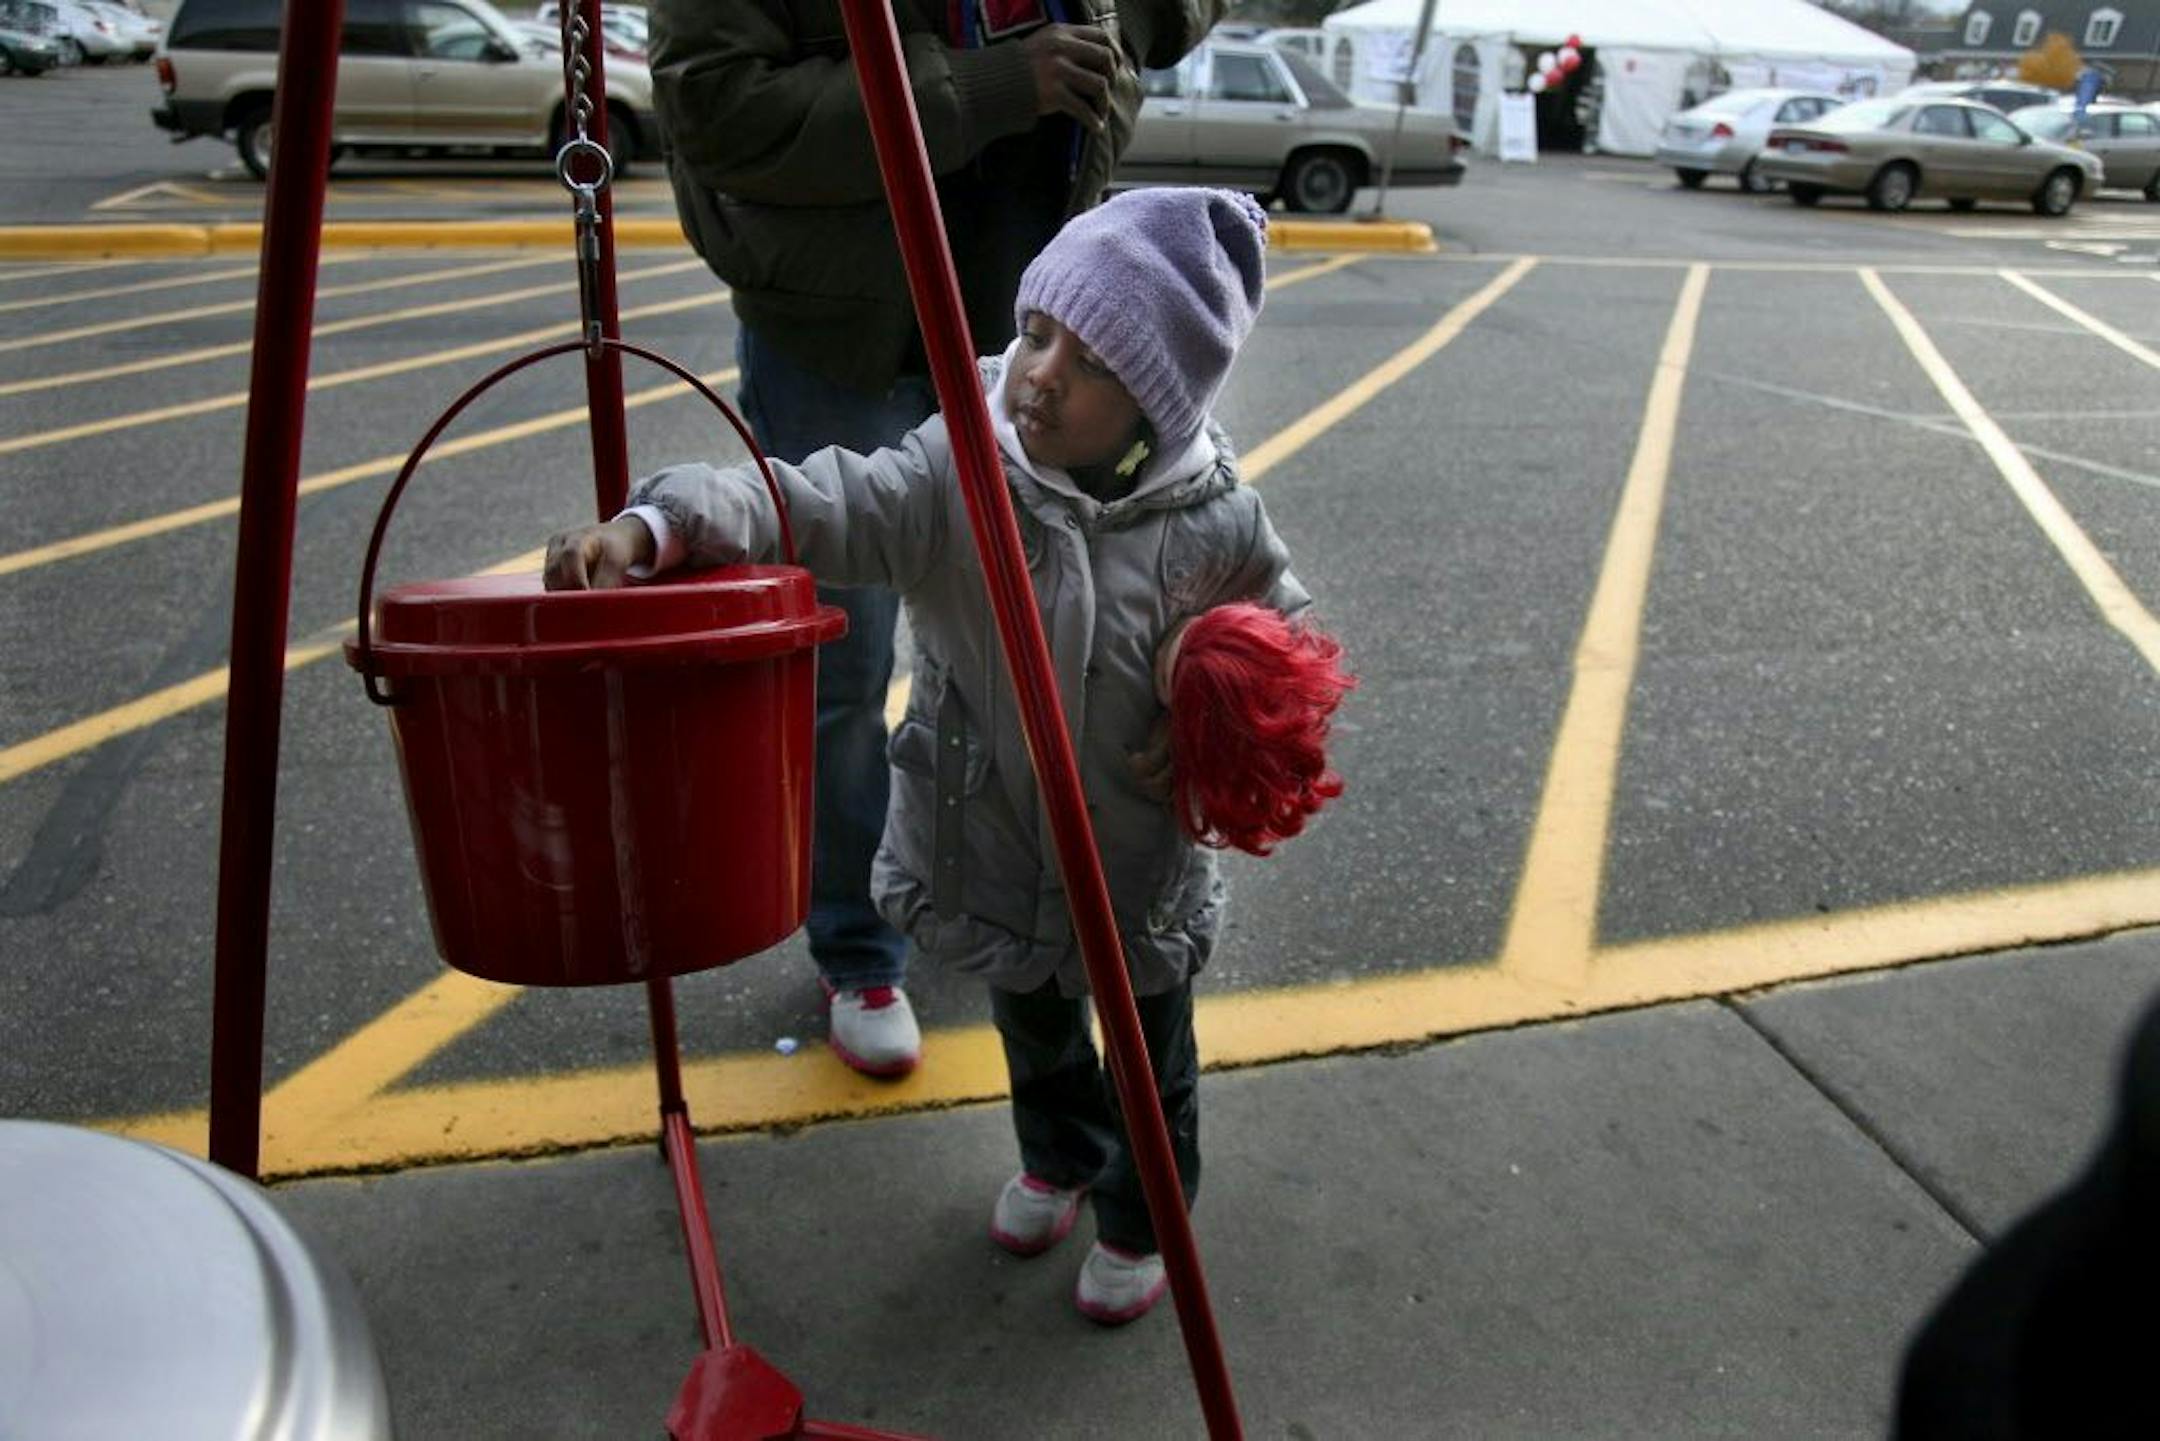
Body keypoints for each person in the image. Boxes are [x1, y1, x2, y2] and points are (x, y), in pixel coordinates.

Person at [544, 188, 1351, 1324]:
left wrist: (1223, 685)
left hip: (1134, 870)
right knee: (1032, 1023)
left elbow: (1290, 652)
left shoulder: (1216, 524)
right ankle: (1061, 1156)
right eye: (1036, 331)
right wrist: (660, 524)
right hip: (994, 843)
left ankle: (1141, 1215)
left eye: (1092, 361)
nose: (1040, 373)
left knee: (1148, 1052)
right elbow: (813, 498)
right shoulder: (957, 471)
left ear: (1158, 410)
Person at [644, 0, 1228, 1077]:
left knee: (1046, 655)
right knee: (845, 668)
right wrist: (995, 86)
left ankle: (1001, 908)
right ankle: (862, 947)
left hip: (1030, 330)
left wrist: (1127, 41)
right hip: (848, 333)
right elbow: (715, 107)